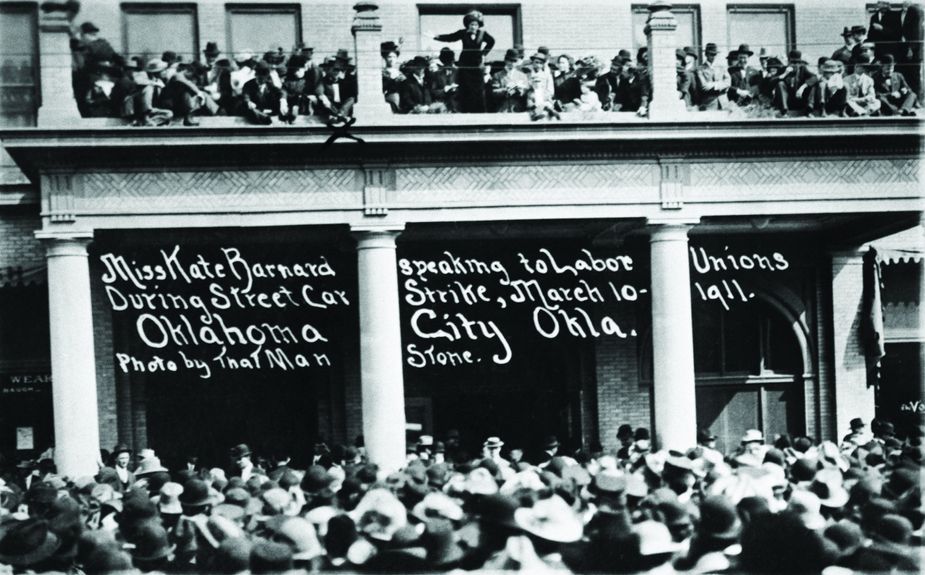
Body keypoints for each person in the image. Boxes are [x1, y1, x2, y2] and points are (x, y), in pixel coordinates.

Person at [433, 10, 495, 113]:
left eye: (475, 24)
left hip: (476, 65)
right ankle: (466, 111)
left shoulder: (483, 34)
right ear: (468, 25)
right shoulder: (463, 33)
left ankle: (479, 113)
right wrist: (436, 37)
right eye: (471, 24)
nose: (473, 27)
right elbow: (450, 37)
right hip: (465, 64)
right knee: (466, 87)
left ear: (478, 25)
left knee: (478, 89)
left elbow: (491, 42)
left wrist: (483, 54)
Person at [696, 43, 730, 110]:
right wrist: (721, 84)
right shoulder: (700, 69)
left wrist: (714, 84)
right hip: (709, 104)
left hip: (723, 103)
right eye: (711, 54)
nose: (713, 57)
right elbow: (704, 87)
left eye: (715, 54)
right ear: (706, 54)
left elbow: (728, 83)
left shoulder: (722, 67)